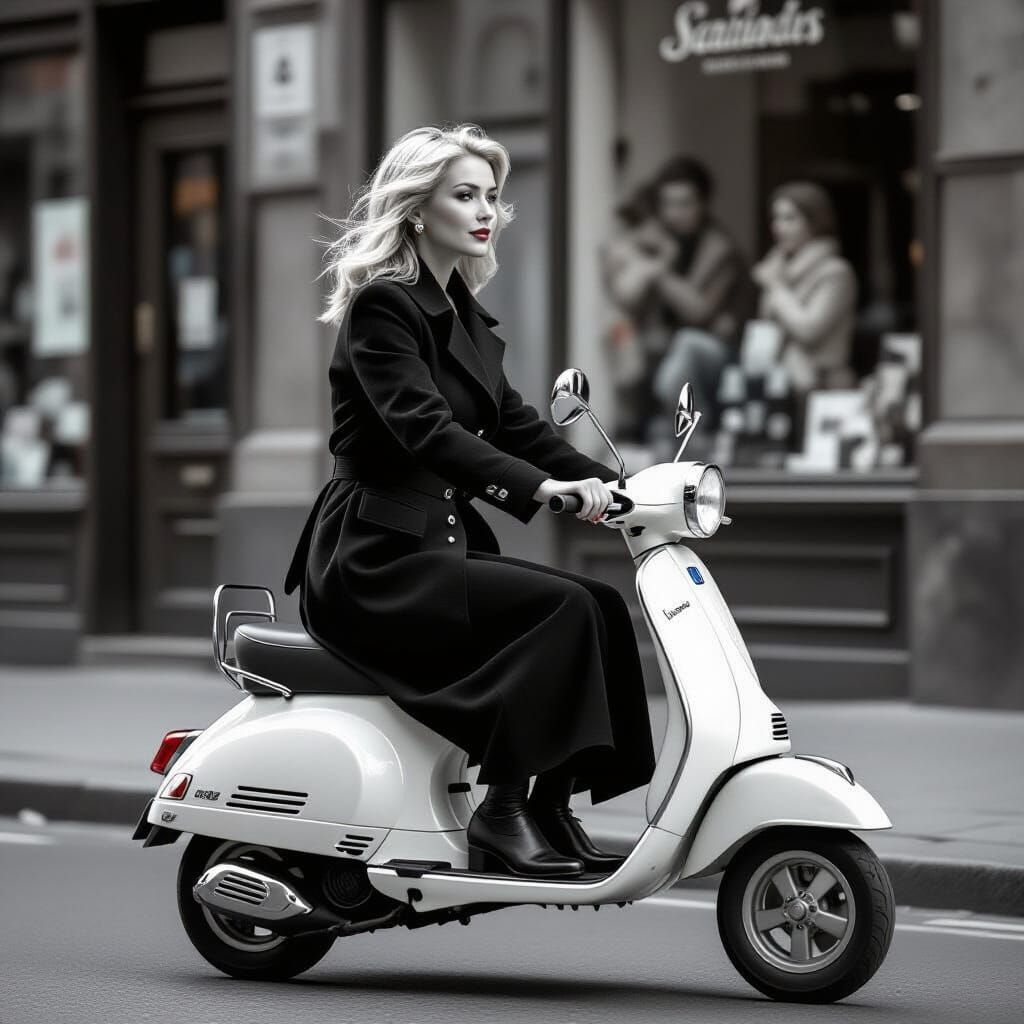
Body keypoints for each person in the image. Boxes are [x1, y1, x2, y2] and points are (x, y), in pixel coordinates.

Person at [283, 124, 656, 880]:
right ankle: (502, 810)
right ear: (418, 209)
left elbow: (516, 422)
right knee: (561, 610)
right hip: (373, 555)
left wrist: (618, 488)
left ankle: (552, 804)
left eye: (491, 195)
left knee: (602, 605)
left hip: (432, 543)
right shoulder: (384, 309)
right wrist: (542, 490)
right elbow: (427, 430)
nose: (485, 210)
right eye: (464, 195)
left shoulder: (466, 318)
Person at [600, 156, 750, 450]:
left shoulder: (720, 248)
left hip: (714, 356)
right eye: (668, 204)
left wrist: (661, 267)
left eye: (685, 204)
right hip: (659, 352)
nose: (675, 213)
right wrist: (653, 262)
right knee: (617, 328)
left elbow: (698, 311)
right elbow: (625, 297)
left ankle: (690, 437)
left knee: (686, 346)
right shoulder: (651, 240)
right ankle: (633, 428)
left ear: (704, 203)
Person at [752, 181, 857, 446]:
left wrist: (776, 288)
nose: (779, 227)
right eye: (776, 218)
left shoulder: (836, 273)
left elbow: (810, 329)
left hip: (821, 388)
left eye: (790, 218)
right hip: (778, 386)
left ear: (814, 221)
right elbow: (766, 330)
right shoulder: (777, 269)